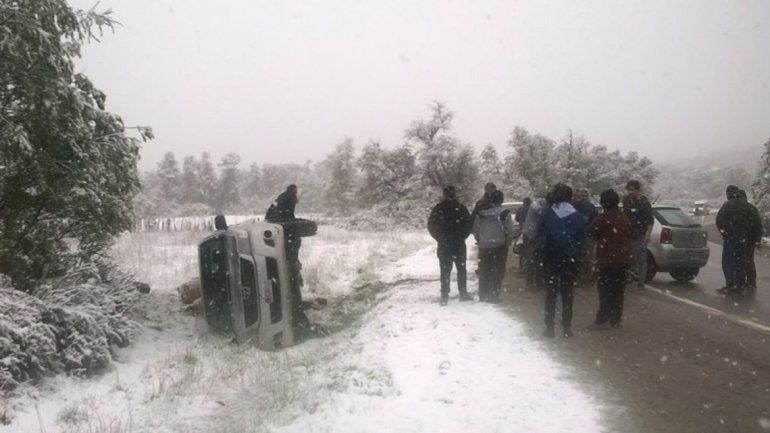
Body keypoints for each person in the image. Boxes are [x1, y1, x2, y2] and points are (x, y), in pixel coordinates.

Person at [539, 183, 585, 338]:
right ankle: (566, 327)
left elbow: (540, 232)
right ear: (570, 197)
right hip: (569, 257)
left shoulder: (547, 213)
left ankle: (549, 327)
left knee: (550, 293)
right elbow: (581, 237)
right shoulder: (576, 215)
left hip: (551, 256)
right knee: (567, 292)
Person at [265, 185, 312, 334]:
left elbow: (282, 217)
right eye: (297, 192)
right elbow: (288, 217)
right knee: (290, 280)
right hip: (283, 241)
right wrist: (293, 227)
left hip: (276, 235)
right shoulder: (289, 198)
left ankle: (292, 309)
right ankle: (297, 319)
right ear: (294, 191)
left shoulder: (280, 199)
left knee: (286, 279)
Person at [586, 189, 633, 330]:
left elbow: (590, 231)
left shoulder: (603, 218)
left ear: (603, 202)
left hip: (607, 259)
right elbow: (631, 233)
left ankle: (602, 320)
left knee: (605, 290)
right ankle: (616, 319)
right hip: (623, 259)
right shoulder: (623, 217)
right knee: (618, 291)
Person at [428, 185, 473, 305]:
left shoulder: (438, 209)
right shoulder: (461, 208)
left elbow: (431, 225)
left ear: (444, 194)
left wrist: (440, 238)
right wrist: (462, 236)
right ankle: (463, 292)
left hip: (444, 244)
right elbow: (469, 224)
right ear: (454, 194)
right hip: (458, 243)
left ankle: (444, 295)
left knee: (445, 270)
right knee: (461, 269)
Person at [716, 186, 762, 294]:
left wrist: (725, 233)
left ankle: (731, 284)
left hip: (731, 239)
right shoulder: (749, 207)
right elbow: (757, 224)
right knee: (742, 261)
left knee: (728, 262)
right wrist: (755, 239)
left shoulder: (728, 205)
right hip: (745, 239)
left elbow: (719, 219)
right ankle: (741, 284)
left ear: (729, 194)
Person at [472, 190, 515, 303]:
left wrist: (479, 239)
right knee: (497, 271)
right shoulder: (505, 213)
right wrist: (508, 240)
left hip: (484, 245)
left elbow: (475, 229)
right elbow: (510, 230)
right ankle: (493, 295)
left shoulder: (480, 213)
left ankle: (483, 294)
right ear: (501, 200)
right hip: (500, 245)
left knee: (484, 270)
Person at [622, 180, 654, 287]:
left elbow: (650, 221)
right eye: (628, 190)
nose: (630, 192)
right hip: (628, 234)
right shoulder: (626, 201)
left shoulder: (644, 203)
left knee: (641, 259)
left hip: (640, 234)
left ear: (638, 190)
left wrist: (648, 234)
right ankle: (628, 277)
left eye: (632, 190)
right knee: (628, 257)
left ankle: (641, 281)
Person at [521, 192, 549, 289]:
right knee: (531, 259)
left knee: (536, 259)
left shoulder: (539, 204)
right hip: (531, 235)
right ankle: (531, 282)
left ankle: (537, 281)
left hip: (534, 234)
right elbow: (538, 210)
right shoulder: (536, 204)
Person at [738, 190, 763, 290]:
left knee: (740, 260)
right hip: (750, 239)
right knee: (749, 260)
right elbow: (758, 224)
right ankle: (751, 281)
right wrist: (757, 239)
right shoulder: (752, 208)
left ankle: (741, 281)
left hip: (741, 239)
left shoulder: (738, 209)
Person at [573, 188, 598, 286]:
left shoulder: (586, 206)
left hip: (586, 235)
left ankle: (585, 277)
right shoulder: (581, 205)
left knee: (584, 257)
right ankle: (586, 277)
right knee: (584, 257)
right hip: (585, 234)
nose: (582, 198)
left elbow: (586, 220)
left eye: (584, 196)